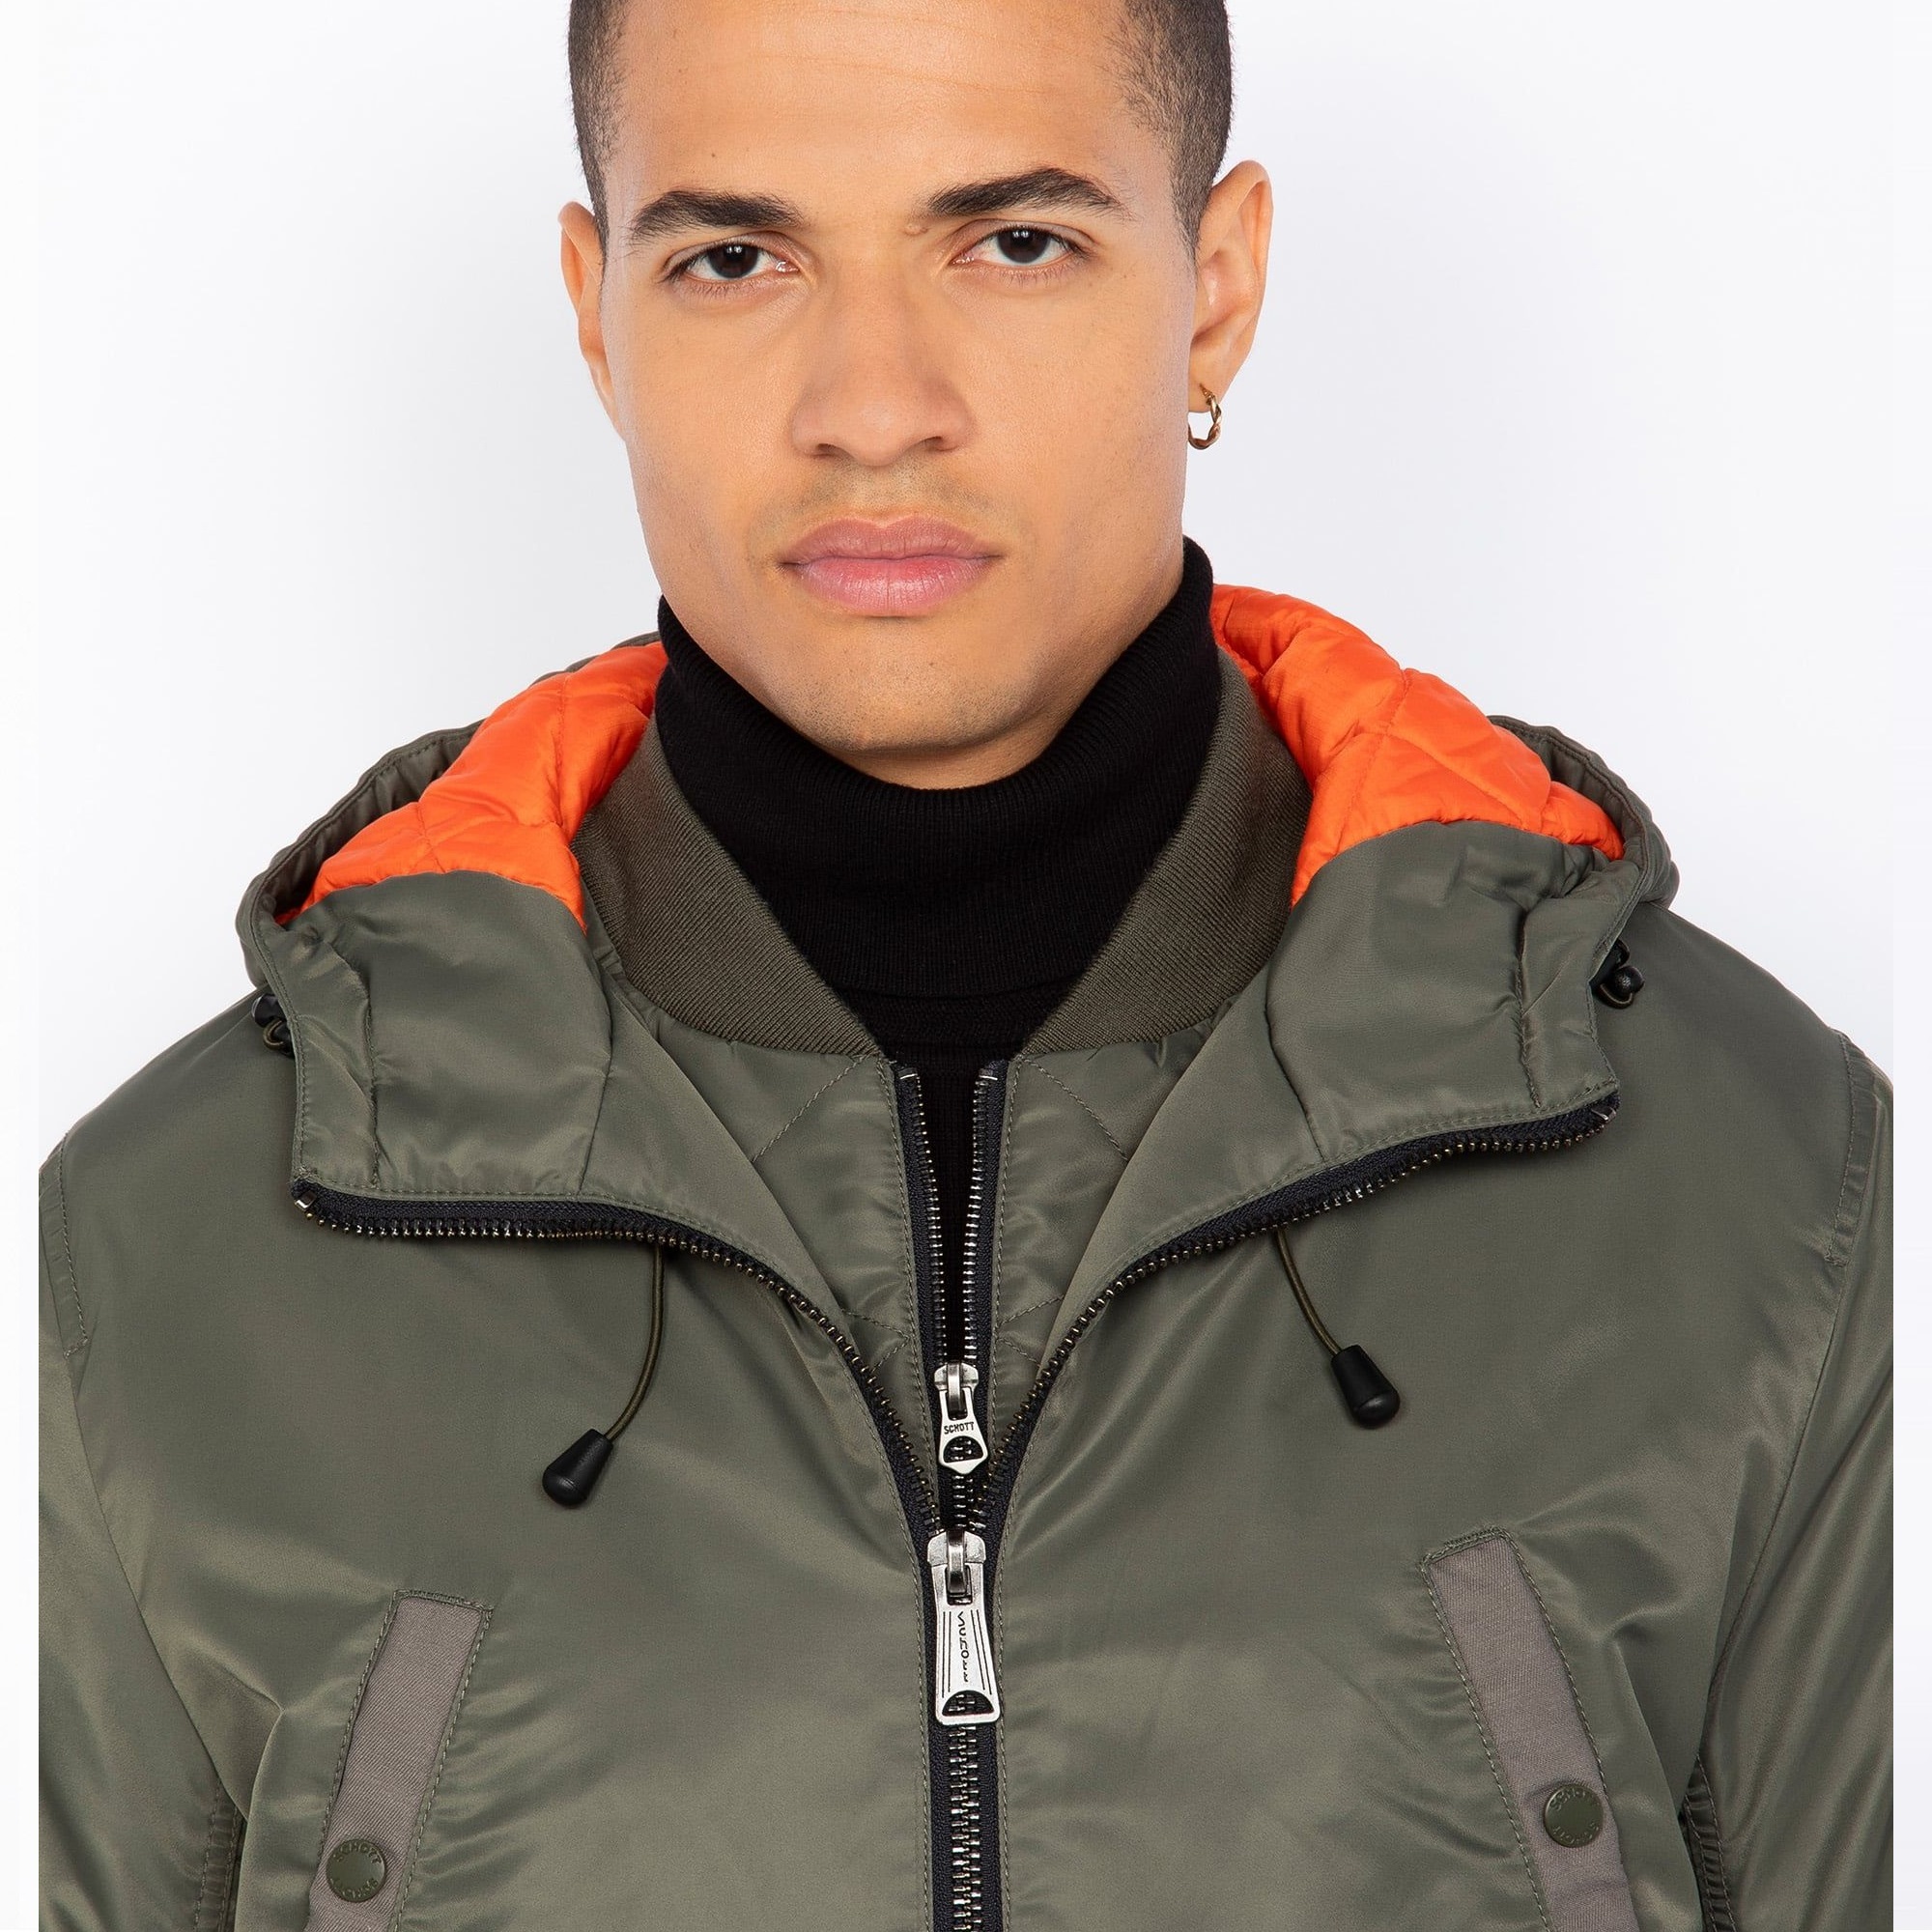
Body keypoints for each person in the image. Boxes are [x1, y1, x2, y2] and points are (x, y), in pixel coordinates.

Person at [39, 0, 1890, 1924]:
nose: (873, 405)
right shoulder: (165, 1250)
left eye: (1014, 241)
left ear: (1216, 288)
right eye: (734, 257)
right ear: (599, 317)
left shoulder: (1766, 1181)